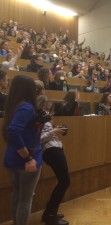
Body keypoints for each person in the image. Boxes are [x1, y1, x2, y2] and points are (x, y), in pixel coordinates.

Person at [2, 75, 42, 225]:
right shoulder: (26, 107)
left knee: (18, 196)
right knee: (25, 199)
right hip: (25, 160)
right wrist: (28, 158)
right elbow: (13, 131)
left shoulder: (14, 105)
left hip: (13, 158)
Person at [37, 96, 70, 225]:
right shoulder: (39, 117)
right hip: (50, 151)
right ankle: (50, 214)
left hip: (55, 149)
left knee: (64, 181)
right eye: (47, 104)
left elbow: (48, 133)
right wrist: (54, 131)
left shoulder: (46, 116)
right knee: (65, 181)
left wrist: (57, 132)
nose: (50, 106)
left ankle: (50, 213)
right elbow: (39, 139)